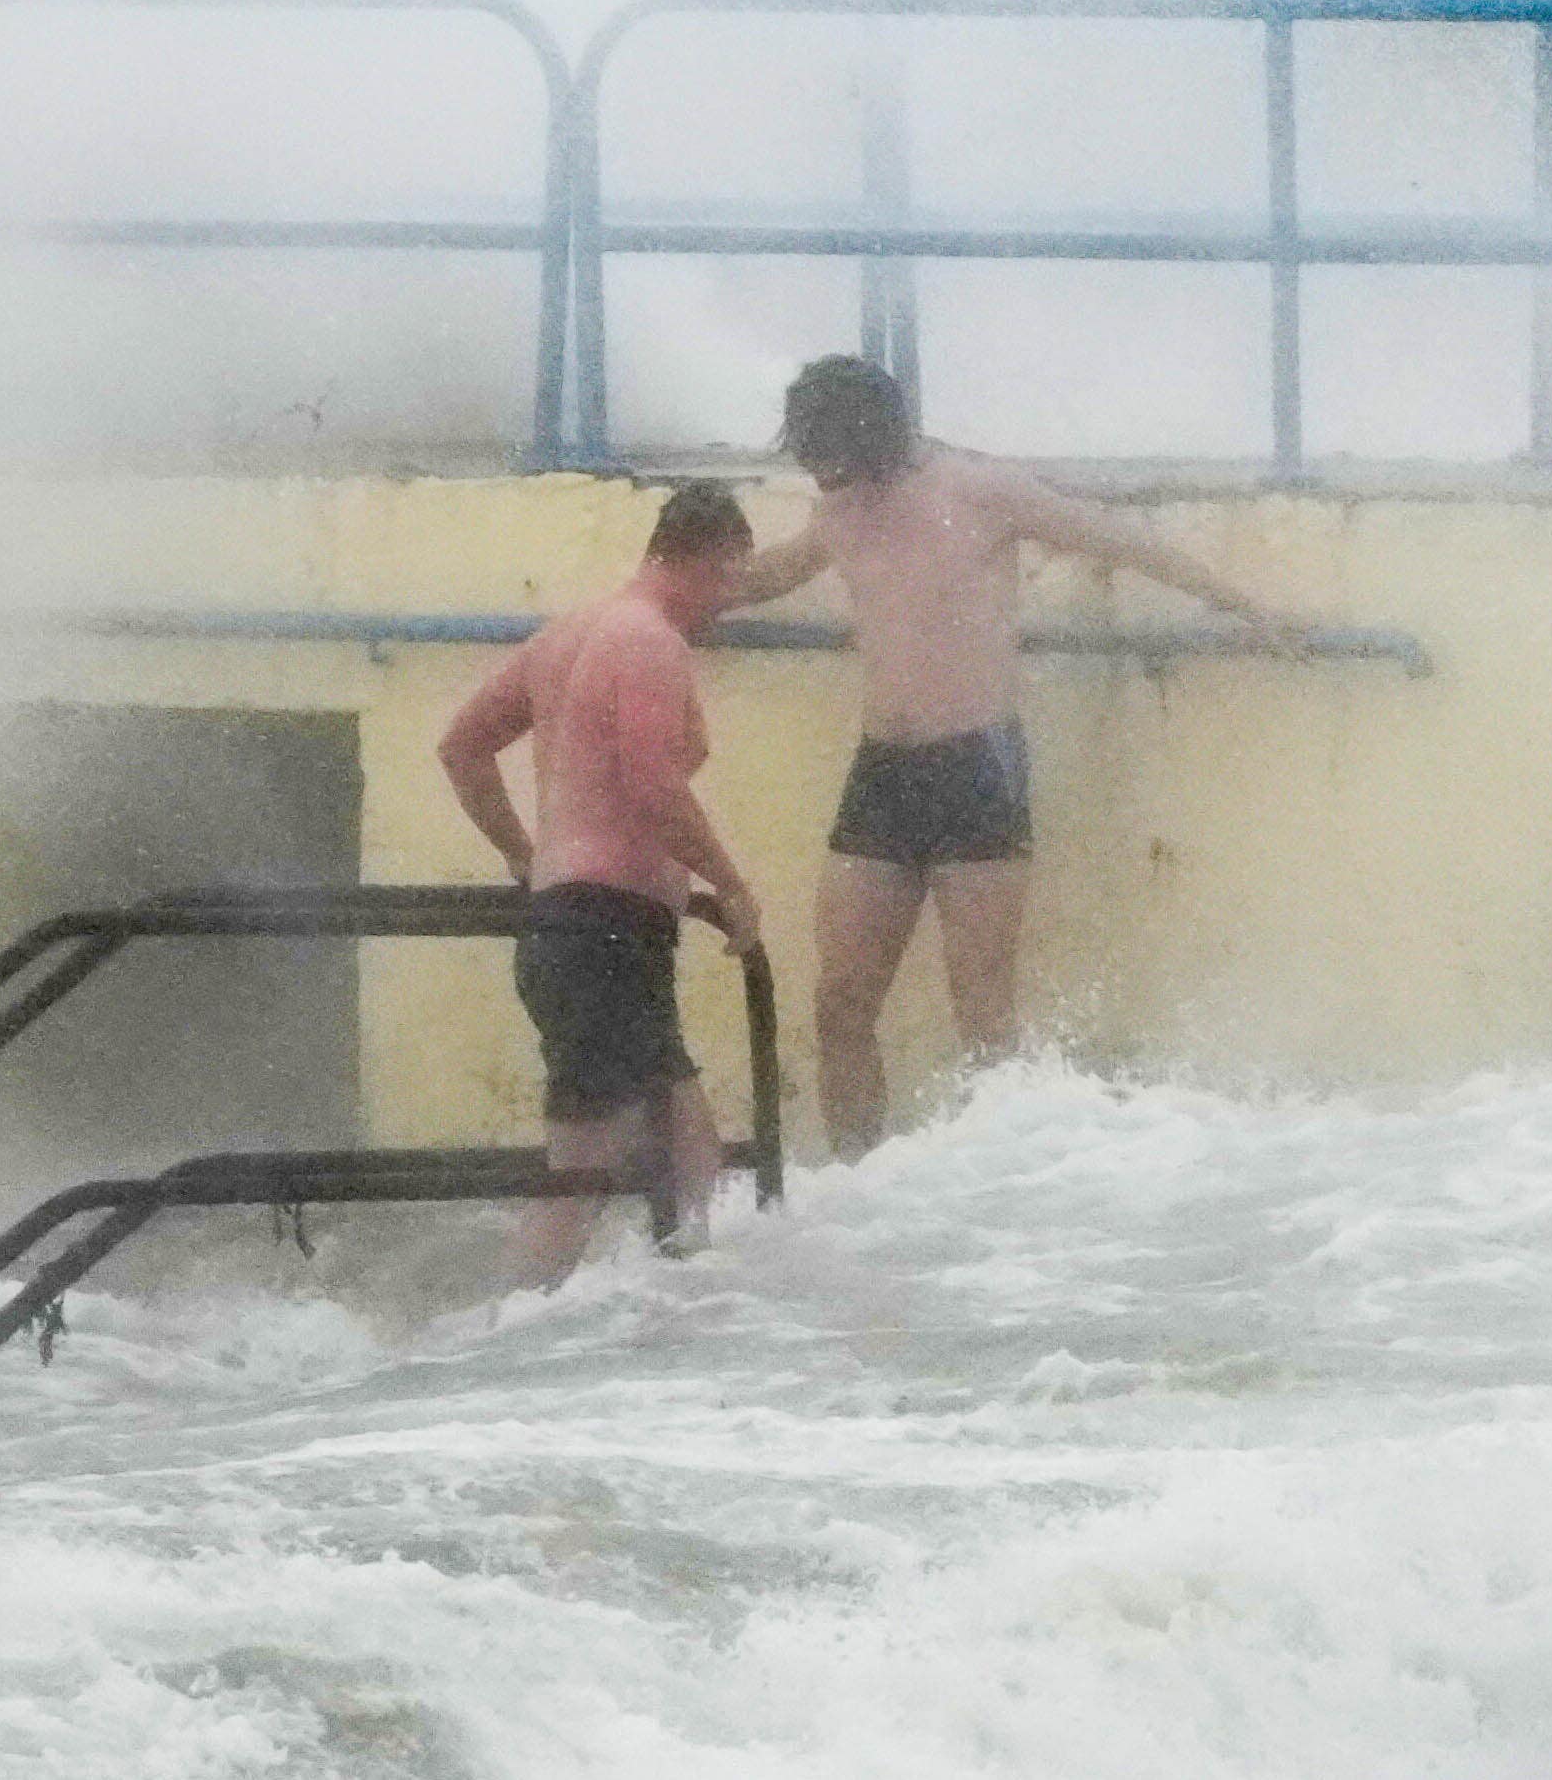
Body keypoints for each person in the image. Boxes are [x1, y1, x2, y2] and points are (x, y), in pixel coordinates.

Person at [729, 354, 1319, 1158]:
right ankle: (854, 1187)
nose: (828, 475)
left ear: (874, 436)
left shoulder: (980, 489)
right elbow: (770, 575)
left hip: (978, 766)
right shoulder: (838, 509)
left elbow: (1123, 541)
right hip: (882, 772)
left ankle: (994, 1199)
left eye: (834, 455)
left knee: (984, 1014)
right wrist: (666, 591)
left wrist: (1251, 609)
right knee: (840, 1002)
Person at [438, 480, 764, 1285]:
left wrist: (528, 855)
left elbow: (462, 747)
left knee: (687, 1159)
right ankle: (482, 1352)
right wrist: (733, 886)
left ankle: (673, 1340)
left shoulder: (568, 635)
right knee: (588, 1178)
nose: (726, 605)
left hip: (580, 928)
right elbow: (653, 784)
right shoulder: (649, 640)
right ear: (707, 559)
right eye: (730, 581)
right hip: (606, 934)